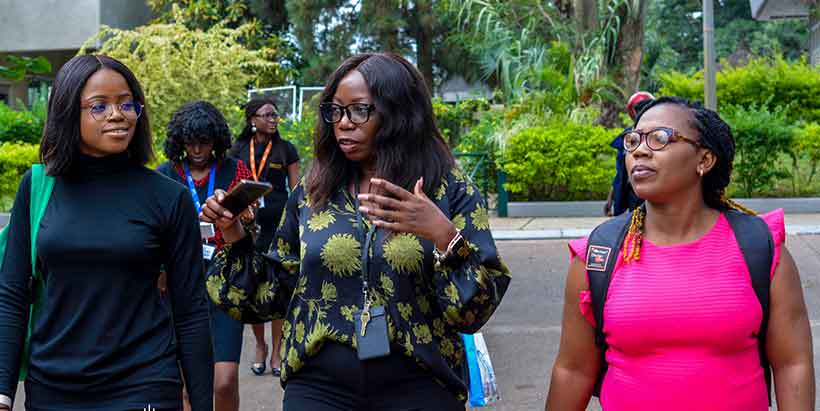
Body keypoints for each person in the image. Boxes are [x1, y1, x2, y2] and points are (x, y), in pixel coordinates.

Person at [201, 52, 511, 411]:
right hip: (319, 387)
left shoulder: (447, 189)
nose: (344, 123)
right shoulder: (314, 190)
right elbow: (273, 292)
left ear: (399, 112)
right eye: (336, 111)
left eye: (359, 110)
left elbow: (476, 310)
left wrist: (443, 235)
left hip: (419, 385)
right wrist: (235, 234)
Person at [546, 97, 815, 410]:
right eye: (633, 140)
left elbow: (792, 363)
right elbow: (572, 371)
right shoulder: (597, 255)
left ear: (704, 159)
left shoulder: (760, 248)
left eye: (659, 138)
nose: (639, 150)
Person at [0, 55, 213, 410]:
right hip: (53, 388)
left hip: (143, 384)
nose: (119, 114)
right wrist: (3, 391)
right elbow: (11, 294)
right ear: (69, 112)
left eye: (127, 103)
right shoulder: (37, 187)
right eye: (99, 106)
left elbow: (190, 310)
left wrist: (203, 404)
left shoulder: (168, 197)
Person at [157, 101, 252, 411]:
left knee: (223, 381)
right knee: (185, 384)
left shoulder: (234, 169)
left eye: (205, 141)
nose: (197, 149)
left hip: (226, 281)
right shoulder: (165, 175)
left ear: (216, 140)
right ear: (180, 141)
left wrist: (246, 217)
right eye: (190, 142)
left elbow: (252, 220)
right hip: (179, 283)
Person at [228, 98, 299, 378]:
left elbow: (296, 190)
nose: (273, 119)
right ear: (252, 119)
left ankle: (278, 351)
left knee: (278, 287)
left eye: (275, 115)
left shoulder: (286, 149)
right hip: (249, 227)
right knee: (256, 287)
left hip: (280, 228)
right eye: (267, 115)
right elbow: (231, 187)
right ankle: (260, 346)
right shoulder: (237, 151)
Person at [603, 91, 653, 217]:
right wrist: (611, 198)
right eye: (639, 109)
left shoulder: (661, 136)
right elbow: (620, 173)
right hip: (633, 195)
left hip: (654, 192)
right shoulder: (627, 137)